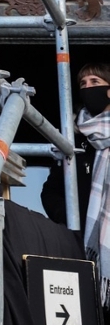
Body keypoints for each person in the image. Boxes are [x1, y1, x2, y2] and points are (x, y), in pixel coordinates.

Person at [42, 62, 110, 314]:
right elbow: (50, 192)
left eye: (95, 82)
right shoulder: (73, 140)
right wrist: (74, 220)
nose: (88, 88)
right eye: (83, 84)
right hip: (82, 247)